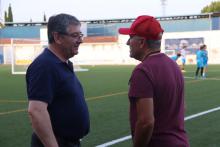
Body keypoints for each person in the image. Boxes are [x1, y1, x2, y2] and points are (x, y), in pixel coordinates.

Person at [118, 15, 189, 147]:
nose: (128, 43)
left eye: (131, 37)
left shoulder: (143, 71)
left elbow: (146, 122)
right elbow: (183, 107)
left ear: (141, 42)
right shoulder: (174, 66)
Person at [26, 13, 90, 147]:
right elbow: (36, 111)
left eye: (80, 35)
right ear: (57, 37)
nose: (80, 40)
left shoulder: (63, 63)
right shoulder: (45, 66)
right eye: (75, 35)